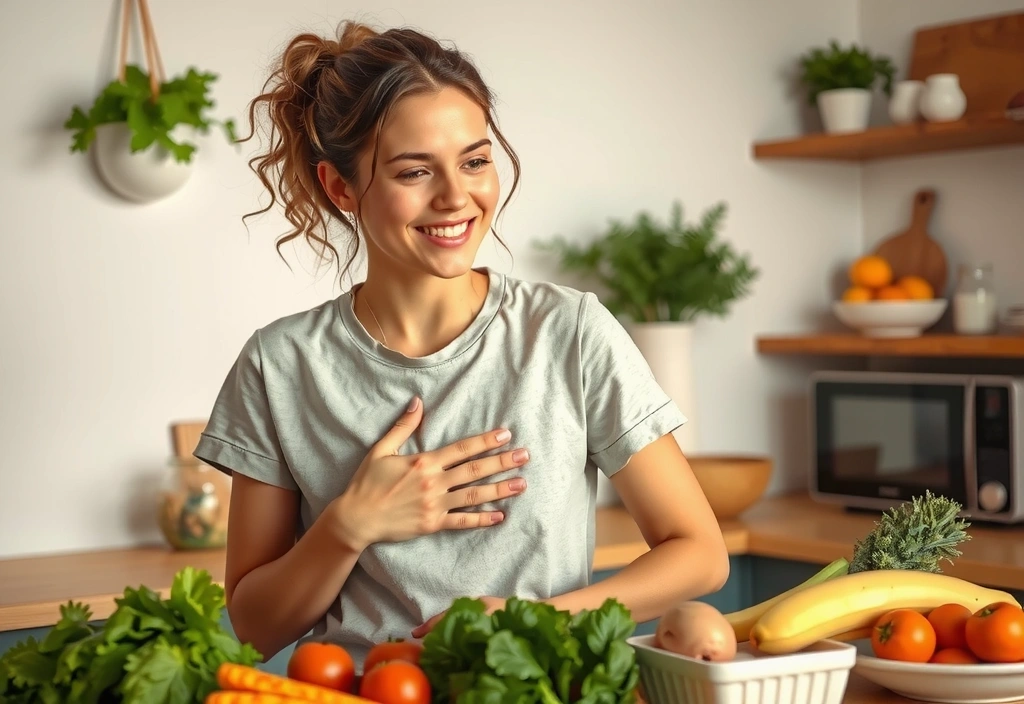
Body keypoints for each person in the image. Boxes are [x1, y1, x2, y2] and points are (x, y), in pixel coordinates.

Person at [194, 19, 730, 668]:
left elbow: (700, 553)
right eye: (415, 171)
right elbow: (253, 628)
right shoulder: (278, 365)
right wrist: (348, 525)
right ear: (341, 188)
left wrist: (539, 620)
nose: (456, 197)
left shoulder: (568, 332)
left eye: (475, 161)